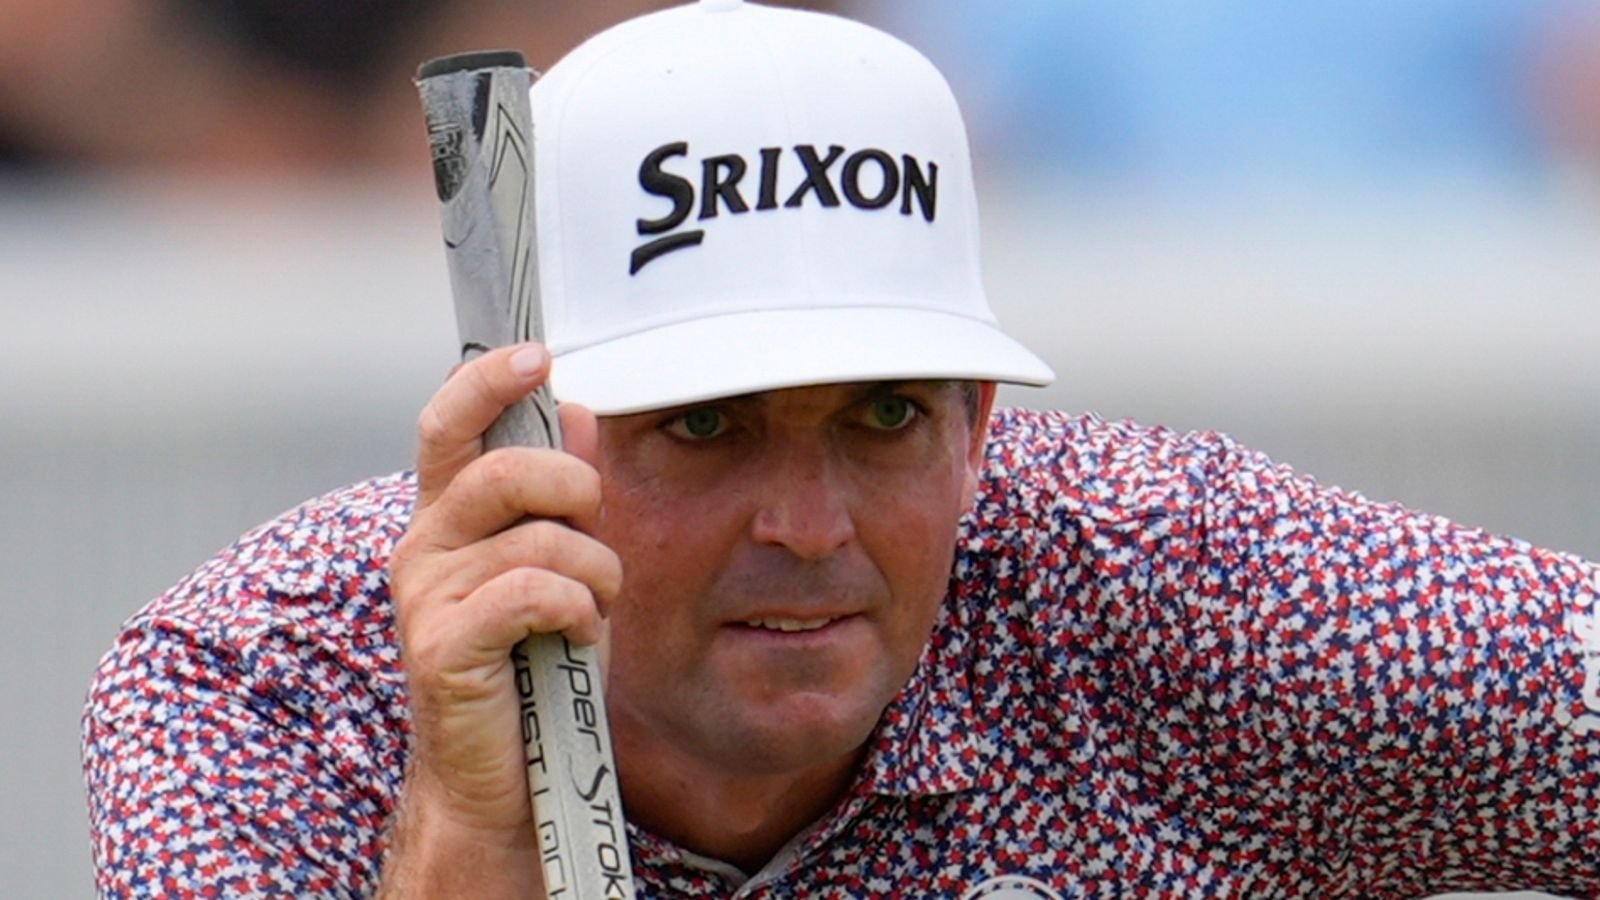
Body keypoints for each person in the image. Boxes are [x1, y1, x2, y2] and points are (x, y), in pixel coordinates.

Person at [82, 1, 1600, 897]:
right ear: (524, 438)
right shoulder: (260, 689)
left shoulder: (1182, 585)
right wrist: (475, 832)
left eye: (885, 416)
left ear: (980, 428)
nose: (810, 523)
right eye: (705, 427)